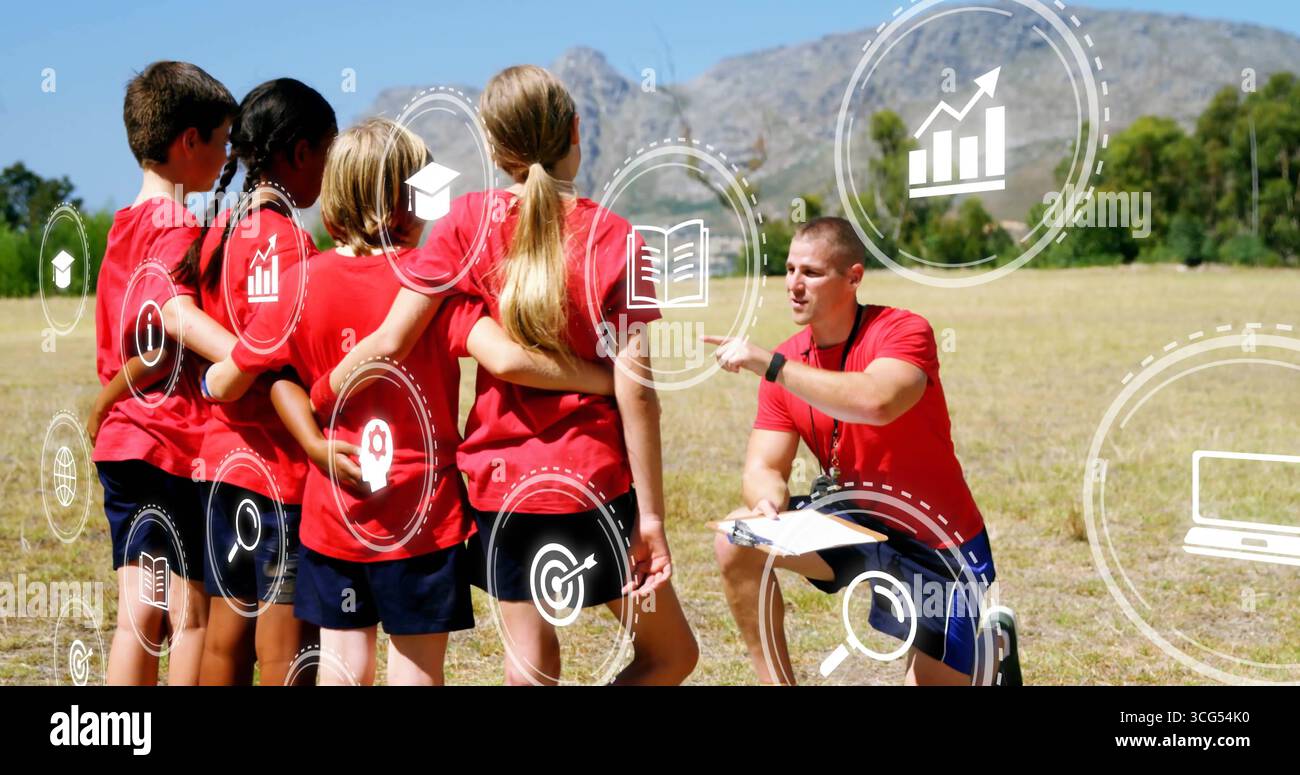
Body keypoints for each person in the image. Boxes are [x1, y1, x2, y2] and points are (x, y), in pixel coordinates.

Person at [306, 65, 698, 685]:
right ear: (575, 130)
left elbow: (390, 338)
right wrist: (650, 521)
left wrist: (320, 394)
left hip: (499, 486)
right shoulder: (618, 239)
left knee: (530, 666)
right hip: (593, 482)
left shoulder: (465, 222)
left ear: (493, 147)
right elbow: (640, 391)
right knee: (673, 655)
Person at [202, 118, 616, 684]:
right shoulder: (432, 289)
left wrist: (219, 383)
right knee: (416, 672)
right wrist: (608, 379)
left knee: (344, 666)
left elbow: (229, 380)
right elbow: (508, 360)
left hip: (333, 517)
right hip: (425, 519)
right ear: (406, 206)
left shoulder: (301, 282)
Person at [706, 216, 1016, 686]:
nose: (793, 284)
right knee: (737, 540)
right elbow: (764, 465)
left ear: (853, 277)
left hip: (935, 541)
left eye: (810, 272)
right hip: (852, 523)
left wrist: (769, 364)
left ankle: (993, 648)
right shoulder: (789, 363)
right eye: (789, 270)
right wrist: (766, 499)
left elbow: (878, 401)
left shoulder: (903, 330)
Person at [174, 78, 336, 685]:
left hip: (221, 468)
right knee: (285, 648)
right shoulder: (289, 240)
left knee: (225, 635)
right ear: (299, 153)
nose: (328, 167)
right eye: (327, 149)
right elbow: (284, 357)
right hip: (280, 474)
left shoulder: (215, 232)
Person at [91, 61, 236, 685]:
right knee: (190, 619)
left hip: (123, 444)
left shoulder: (123, 225)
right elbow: (167, 328)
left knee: (135, 620)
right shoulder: (178, 226)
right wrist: (250, 356)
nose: (229, 155)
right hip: (169, 442)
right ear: (190, 143)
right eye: (224, 140)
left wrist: (104, 403)